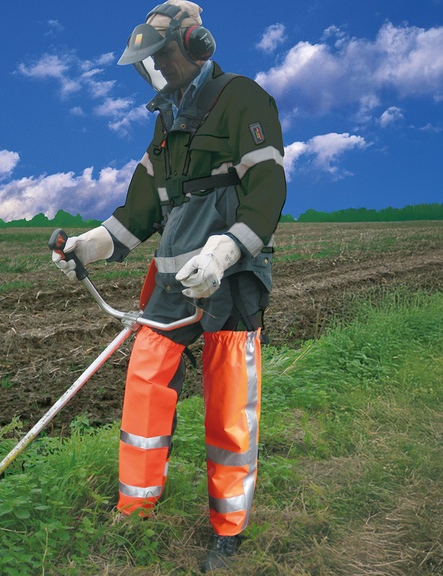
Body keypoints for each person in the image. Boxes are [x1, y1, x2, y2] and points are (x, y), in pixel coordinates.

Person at [52, 1, 286, 570]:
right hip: (172, 276)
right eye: (146, 65)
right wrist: (88, 245)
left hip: (229, 276)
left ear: (196, 45)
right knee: (145, 381)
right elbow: (139, 212)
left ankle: (227, 529)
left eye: (160, 59)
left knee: (229, 399)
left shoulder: (243, 100)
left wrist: (228, 249)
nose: (154, 73)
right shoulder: (166, 123)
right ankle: (135, 507)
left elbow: (268, 188)